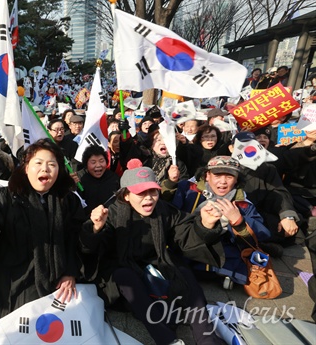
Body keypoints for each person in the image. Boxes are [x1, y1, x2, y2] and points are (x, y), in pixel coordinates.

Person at [80, 160, 224, 345]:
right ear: (126, 195)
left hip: (156, 262)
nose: (149, 198)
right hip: (120, 267)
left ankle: (207, 337)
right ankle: (167, 339)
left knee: (184, 273)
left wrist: (205, 225)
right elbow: (89, 250)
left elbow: (184, 237)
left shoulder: (164, 210)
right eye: (141, 193)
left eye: (153, 191)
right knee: (126, 277)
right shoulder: (112, 214)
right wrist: (95, 229)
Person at [0, 139, 86, 319]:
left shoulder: (68, 200)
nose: (45, 169)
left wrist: (70, 272)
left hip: (57, 279)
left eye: (52, 164)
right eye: (38, 163)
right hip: (15, 279)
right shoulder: (5, 197)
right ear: (26, 167)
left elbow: (75, 238)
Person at [169, 156, 270, 286]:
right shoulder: (188, 189)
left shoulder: (242, 204)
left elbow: (261, 234)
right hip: (187, 243)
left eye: (229, 177)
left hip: (220, 252)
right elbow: (171, 213)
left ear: (236, 180)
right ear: (207, 176)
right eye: (217, 175)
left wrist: (238, 221)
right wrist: (171, 183)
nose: (223, 182)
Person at [76, 145, 120, 215]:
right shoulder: (79, 179)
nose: (98, 165)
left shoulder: (114, 178)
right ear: (86, 164)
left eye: (101, 161)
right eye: (93, 162)